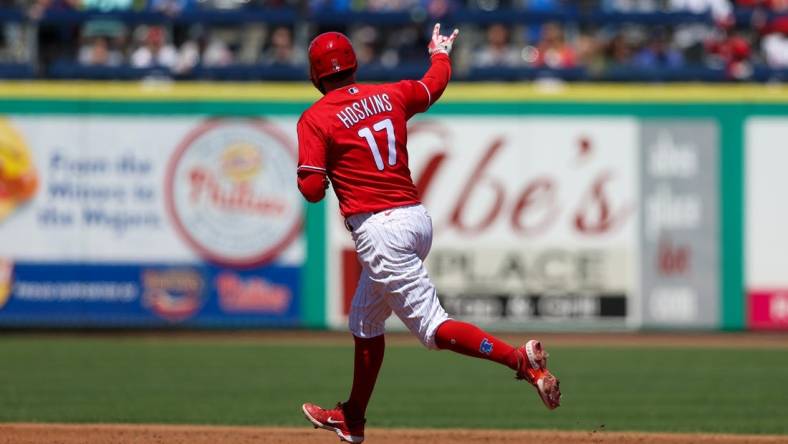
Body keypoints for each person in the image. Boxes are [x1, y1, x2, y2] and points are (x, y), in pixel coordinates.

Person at [296, 24, 561, 444]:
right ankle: (353, 418)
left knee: (434, 329)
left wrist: (323, 173)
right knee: (364, 320)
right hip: (416, 220)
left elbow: (311, 191)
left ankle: (521, 361)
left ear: (316, 74)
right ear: (353, 64)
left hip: (380, 230)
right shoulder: (389, 94)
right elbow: (433, 85)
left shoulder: (316, 118)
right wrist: (439, 52)